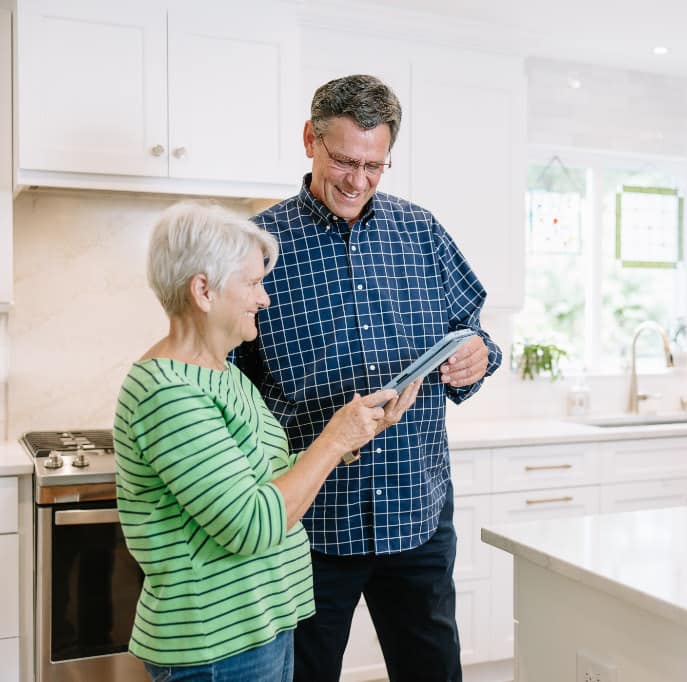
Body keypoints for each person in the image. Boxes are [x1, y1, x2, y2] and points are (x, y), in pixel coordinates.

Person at [233, 74, 502, 682]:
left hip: (417, 513)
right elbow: (228, 374)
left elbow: (474, 333)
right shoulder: (258, 245)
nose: (358, 181)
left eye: (375, 166)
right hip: (310, 523)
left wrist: (477, 356)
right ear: (310, 139)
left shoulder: (422, 232)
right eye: (344, 161)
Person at [113, 201, 420, 682]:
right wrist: (332, 439)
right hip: (217, 644)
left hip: (262, 623)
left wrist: (354, 437)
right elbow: (251, 524)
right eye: (253, 283)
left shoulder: (222, 372)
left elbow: (269, 477)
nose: (265, 299)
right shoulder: (167, 393)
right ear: (204, 291)